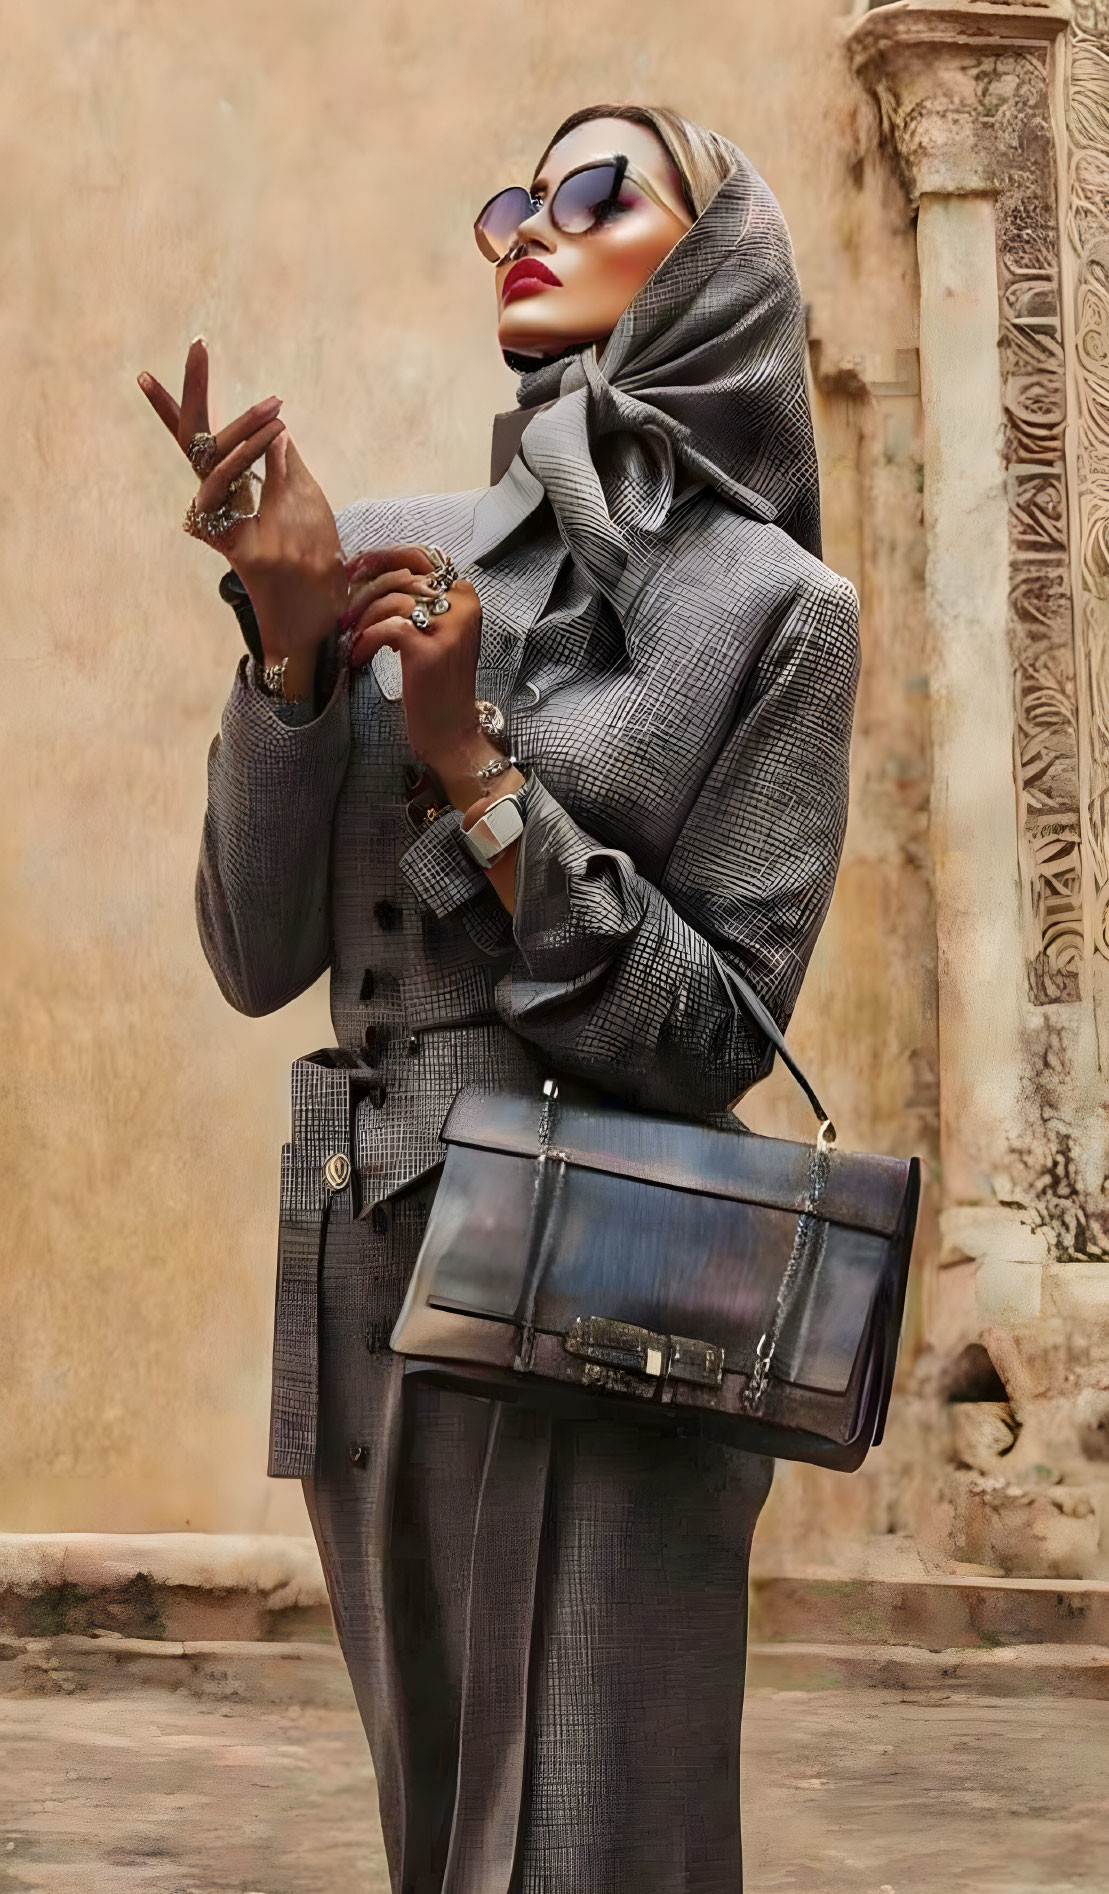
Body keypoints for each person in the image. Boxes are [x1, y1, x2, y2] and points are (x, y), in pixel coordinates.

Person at [139, 101, 860, 1894]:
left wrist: (471, 764)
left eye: (598, 190)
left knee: (591, 1843)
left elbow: (715, 1031)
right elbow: (250, 956)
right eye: (512, 199)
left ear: (714, 262)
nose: (528, 227)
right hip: (374, 1258)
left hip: (616, 1275)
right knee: (437, 1837)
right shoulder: (384, 548)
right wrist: (291, 650)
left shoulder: (779, 611)